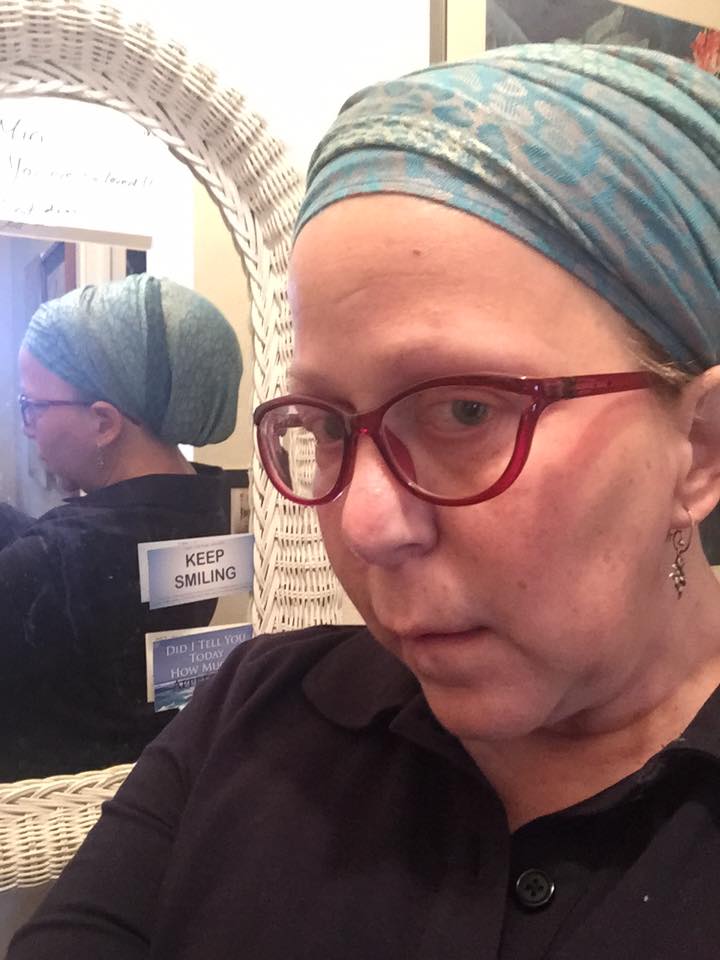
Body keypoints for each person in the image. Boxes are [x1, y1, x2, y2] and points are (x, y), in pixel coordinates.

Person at [7, 42, 720, 959]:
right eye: (326, 426)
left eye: (465, 411)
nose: (365, 524)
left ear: (698, 449)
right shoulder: (253, 717)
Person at [0, 273, 241, 779]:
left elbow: (53, 564)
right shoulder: (211, 506)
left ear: (103, 423)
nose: (28, 427)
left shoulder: (55, 562)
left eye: (32, 407)